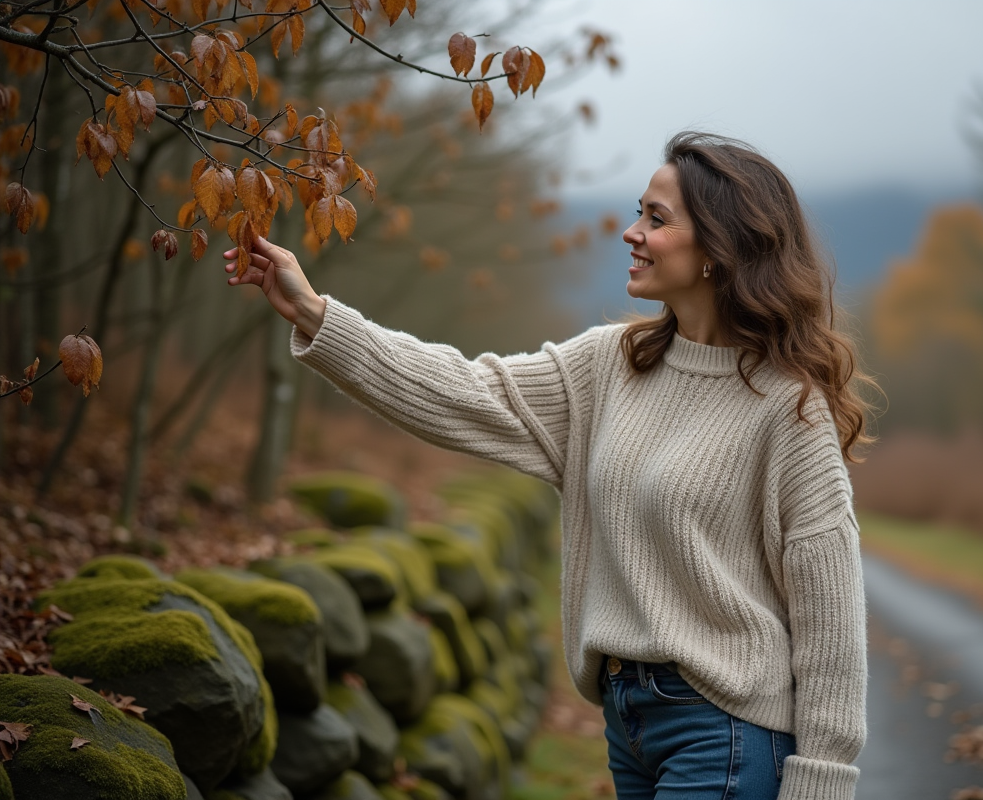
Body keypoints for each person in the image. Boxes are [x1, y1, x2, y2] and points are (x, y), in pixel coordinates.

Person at [224, 131, 870, 800]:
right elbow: (462, 391)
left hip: (728, 734)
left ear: (718, 248)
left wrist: (822, 781)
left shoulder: (788, 409)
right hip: (630, 725)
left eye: (656, 218)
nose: (631, 232)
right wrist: (315, 313)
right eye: (637, 212)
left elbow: (832, 620)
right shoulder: (609, 365)